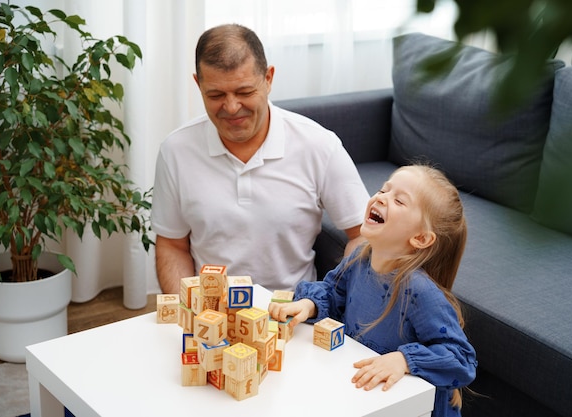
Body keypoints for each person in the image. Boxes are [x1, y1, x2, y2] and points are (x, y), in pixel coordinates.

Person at [151, 24, 369, 294]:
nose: (231, 108)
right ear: (198, 84)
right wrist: (185, 316)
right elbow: (173, 245)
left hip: (293, 311)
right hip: (210, 312)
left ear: (268, 78)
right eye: (216, 95)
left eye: (244, 92)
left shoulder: (319, 145)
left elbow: (362, 234)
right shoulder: (176, 150)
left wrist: (335, 298)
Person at [268, 164, 477, 417]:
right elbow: (334, 293)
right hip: (364, 394)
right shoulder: (359, 258)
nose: (381, 197)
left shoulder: (419, 291)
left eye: (399, 201)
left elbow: (463, 359)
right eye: (383, 190)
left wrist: (404, 360)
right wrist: (308, 305)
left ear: (421, 239)